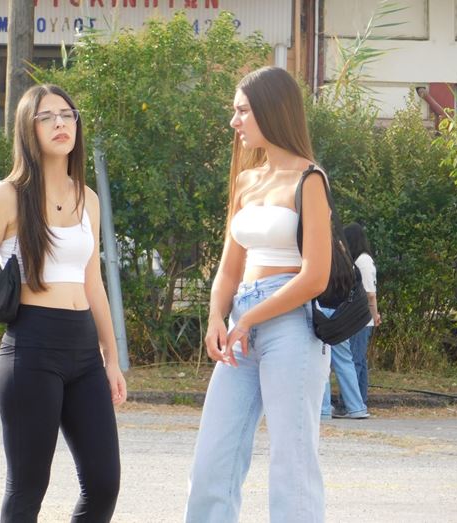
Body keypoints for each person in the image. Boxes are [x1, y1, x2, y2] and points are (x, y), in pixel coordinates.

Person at [0, 84, 127, 523]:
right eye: (46, 117)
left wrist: (111, 359)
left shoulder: (88, 199)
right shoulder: (6, 196)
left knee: (104, 484)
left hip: (84, 353)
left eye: (67, 115)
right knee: (28, 490)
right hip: (31, 351)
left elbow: (93, 283)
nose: (60, 124)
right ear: (26, 130)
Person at [184, 66, 332, 523]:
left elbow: (316, 276)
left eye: (243, 110)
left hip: (291, 323)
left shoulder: (310, 179)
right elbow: (229, 268)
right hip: (240, 322)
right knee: (213, 459)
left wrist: (249, 318)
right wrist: (217, 316)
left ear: (272, 109)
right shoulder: (247, 181)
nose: (235, 121)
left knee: (292, 462)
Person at [344, 222, 381, 404]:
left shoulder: (362, 262)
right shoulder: (363, 260)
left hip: (361, 318)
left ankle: (352, 403)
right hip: (362, 318)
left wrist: (374, 315)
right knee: (360, 361)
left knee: (355, 360)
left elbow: (370, 294)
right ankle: (360, 400)